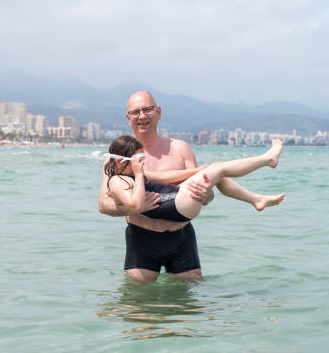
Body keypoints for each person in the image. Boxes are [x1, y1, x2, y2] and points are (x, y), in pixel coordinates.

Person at [98, 91, 280, 282]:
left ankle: (258, 190)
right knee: (138, 305)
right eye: (135, 112)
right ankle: (263, 173)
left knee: (187, 307)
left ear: (158, 112)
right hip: (141, 239)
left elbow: (202, 194)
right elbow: (104, 205)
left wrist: (206, 195)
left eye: (147, 109)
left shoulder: (180, 149)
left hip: (181, 238)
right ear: (128, 118)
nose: (142, 116)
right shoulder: (117, 158)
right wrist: (136, 206)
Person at [104, 135, 284, 223]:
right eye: (138, 159)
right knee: (219, 168)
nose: (141, 163)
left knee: (216, 172)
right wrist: (140, 174)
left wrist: (196, 171)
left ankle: (256, 200)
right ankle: (268, 159)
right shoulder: (116, 181)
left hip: (177, 198)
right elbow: (134, 205)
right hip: (177, 206)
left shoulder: (134, 174)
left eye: (142, 158)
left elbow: (165, 177)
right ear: (120, 161)